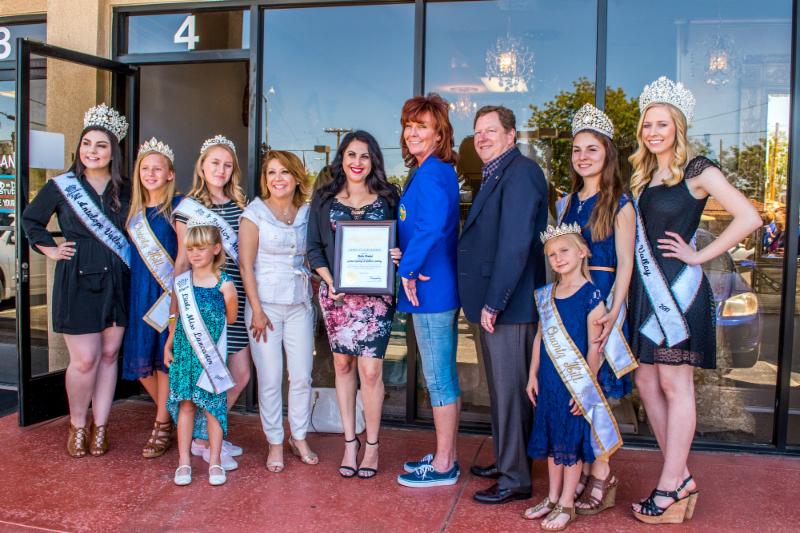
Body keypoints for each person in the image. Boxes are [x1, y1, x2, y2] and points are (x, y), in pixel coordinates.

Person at [627, 77, 761, 523]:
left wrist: (699, 255)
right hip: (647, 292)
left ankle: (669, 486)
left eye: (662, 124)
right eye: (647, 125)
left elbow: (749, 216)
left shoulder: (697, 170)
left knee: (674, 384)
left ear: (678, 127)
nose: (653, 132)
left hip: (678, 293)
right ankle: (680, 476)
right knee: (646, 383)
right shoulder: (644, 175)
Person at [22, 104, 130, 458]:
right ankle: (78, 424)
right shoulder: (61, 186)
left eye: (101, 145)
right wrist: (51, 250)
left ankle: (101, 426)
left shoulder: (125, 189)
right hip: (78, 279)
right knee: (84, 359)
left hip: (117, 279)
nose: (92, 151)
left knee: (110, 355)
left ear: (113, 151)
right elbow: (31, 220)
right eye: (87, 144)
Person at [458, 105, 547, 504]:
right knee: (501, 391)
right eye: (478, 131)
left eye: (490, 130)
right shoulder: (497, 173)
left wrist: (493, 304)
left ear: (511, 135)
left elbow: (515, 245)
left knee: (511, 394)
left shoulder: (522, 173)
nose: (482, 138)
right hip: (500, 304)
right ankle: (509, 460)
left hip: (510, 306)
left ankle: (515, 479)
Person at [556, 104, 637, 513]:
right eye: (577, 149)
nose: (583, 156)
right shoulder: (566, 203)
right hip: (572, 298)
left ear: (607, 153)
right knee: (577, 388)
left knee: (598, 388)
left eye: (592, 149)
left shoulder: (620, 203)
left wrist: (614, 313)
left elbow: (626, 265)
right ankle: (586, 468)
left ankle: (603, 474)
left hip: (602, 299)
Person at [307, 130, 401, 479]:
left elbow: (402, 240)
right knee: (343, 365)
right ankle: (350, 442)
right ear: (341, 159)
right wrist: (329, 280)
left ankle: (372, 444)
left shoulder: (388, 197)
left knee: (371, 371)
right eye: (351, 155)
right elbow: (314, 248)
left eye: (364, 156)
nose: (357, 162)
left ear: (374, 160)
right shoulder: (323, 198)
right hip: (337, 297)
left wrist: (399, 253)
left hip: (376, 300)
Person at [523, 223, 618, 531]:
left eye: (564, 251)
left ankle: (567, 503)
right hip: (549, 380)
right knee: (553, 442)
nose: (558, 258)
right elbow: (540, 336)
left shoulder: (592, 295)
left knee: (570, 445)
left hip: (574, 383)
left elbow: (595, 348)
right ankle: (552, 497)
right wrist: (532, 374)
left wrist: (585, 389)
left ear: (582, 252)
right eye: (552, 255)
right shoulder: (546, 294)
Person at [394, 94, 462, 488]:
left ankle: (444, 464)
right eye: (409, 126)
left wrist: (408, 267)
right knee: (440, 375)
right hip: (430, 285)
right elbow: (421, 227)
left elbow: (432, 227)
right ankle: (445, 453)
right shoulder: (427, 171)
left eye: (422, 126)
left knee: (438, 378)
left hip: (430, 289)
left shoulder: (434, 172)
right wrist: (404, 253)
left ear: (439, 135)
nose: (413, 133)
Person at [172, 135, 250, 470]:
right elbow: (182, 260)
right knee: (207, 376)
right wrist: (176, 311)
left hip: (233, 297)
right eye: (215, 163)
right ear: (202, 166)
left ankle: (207, 435)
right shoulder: (188, 208)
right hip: (202, 304)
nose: (221, 170)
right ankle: (204, 441)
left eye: (227, 165)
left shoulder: (241, 205)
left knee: (240, 374)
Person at [239, 150, 317, 473]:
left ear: (296, 177)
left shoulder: (307, 213)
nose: (278, 178)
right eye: (271, 172)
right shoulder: (254, 213)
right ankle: (274, 441)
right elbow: (246, 266)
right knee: (270, 378)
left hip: (299, 305)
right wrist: (257, 310)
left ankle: (298, 436)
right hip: (265, 307)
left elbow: (313, 256)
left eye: (284, 172)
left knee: (301, 376)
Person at [166, 221, 238, 486]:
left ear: (216, 249)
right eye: (190, 249)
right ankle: (184, 461)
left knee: (212, 407)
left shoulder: (225, 284)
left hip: (212, 357)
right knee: (186, 405)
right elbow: (176, 318)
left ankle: (215, 460)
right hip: (185, 354)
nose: (195, 254)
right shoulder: (181, 283)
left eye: (201, 248)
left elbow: (231, 318)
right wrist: (169, 344)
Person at [123, 138, 182, 458]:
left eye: (157, 169)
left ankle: (161, 425)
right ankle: (171, 416)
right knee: (143, 362)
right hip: (140, 295)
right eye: (145, 168)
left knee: (164, 360)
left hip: (167, 295)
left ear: (170, 174)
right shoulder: (132, 213)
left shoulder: (178, 207)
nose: (150, 173)